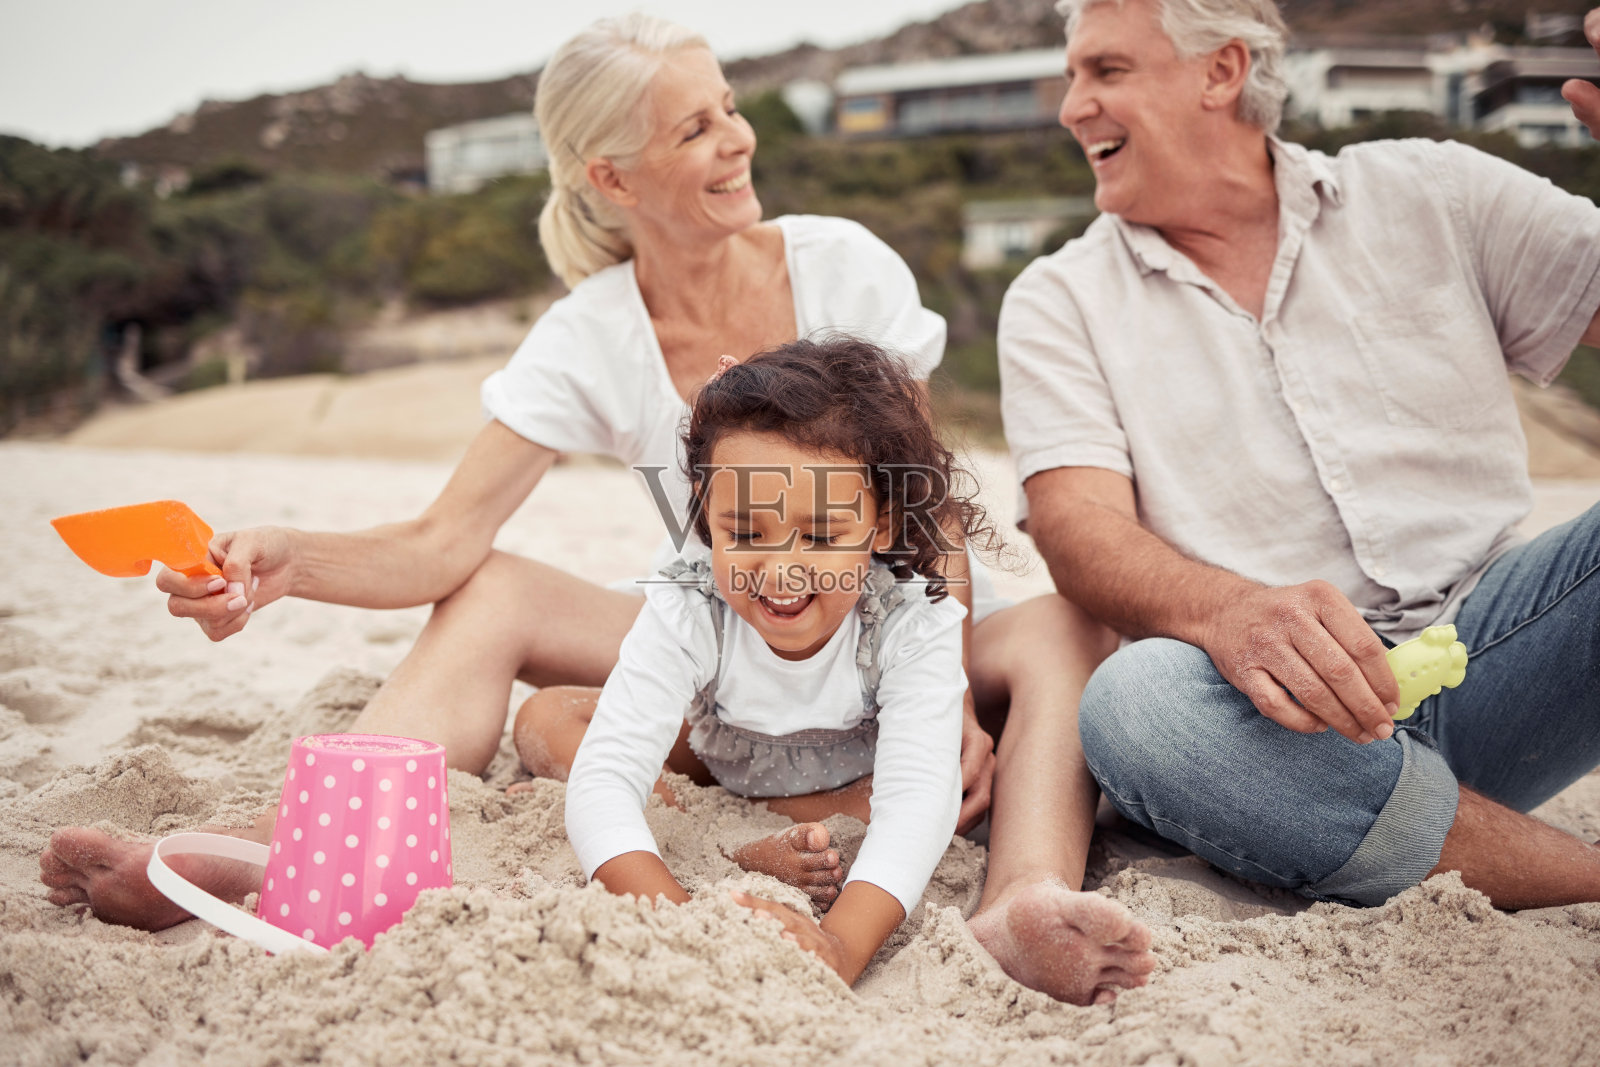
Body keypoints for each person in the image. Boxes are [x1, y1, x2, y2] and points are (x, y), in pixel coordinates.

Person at [40, 13, 1153, 1002]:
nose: (737, 139)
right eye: (695, 131)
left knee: (1065, 622)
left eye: (727, 110)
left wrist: (946, 675)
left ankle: (1021, 895)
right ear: (612, 179)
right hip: (737, 624)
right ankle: (296, 847)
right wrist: (282, 558)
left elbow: (927, 504)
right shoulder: (590, 333)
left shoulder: (841, 265)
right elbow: (440, 540)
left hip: (892, 615)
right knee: (495, 592)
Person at [1000, 0, 1600, 911]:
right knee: (1133, 704)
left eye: (1106, 71)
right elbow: (1075, 527)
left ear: (1222, 70)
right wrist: (1234, 613)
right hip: (1269, 721)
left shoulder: (1433, 191)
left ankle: (1432, 833)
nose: (1072, 105)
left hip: (1502, 654)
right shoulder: (1059, 298)